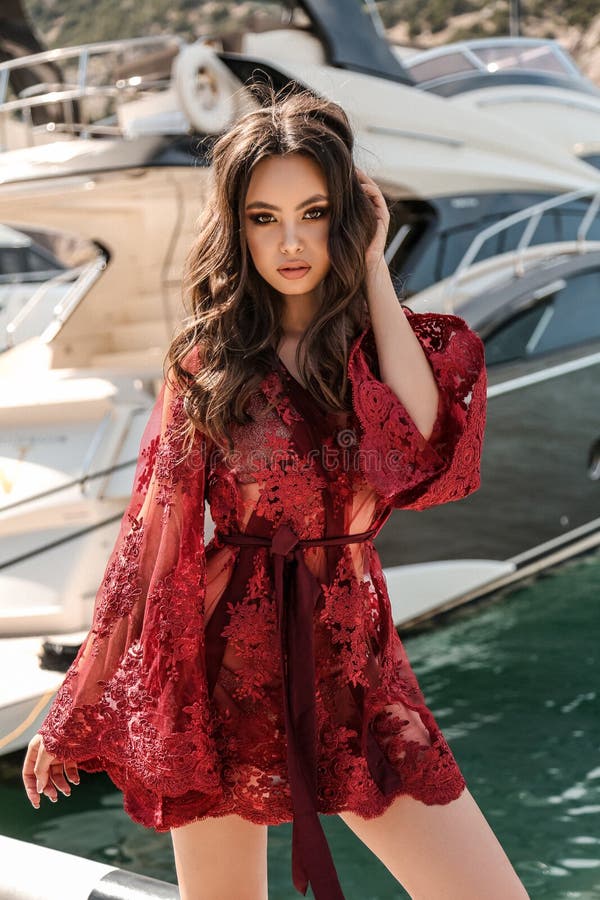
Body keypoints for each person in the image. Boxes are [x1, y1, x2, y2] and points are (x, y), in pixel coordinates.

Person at [22, 84, 529, 900]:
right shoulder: (206, 359)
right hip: (220, 669)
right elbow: (152, 545)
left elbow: (426, 452)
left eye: (315, 212)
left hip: (356, 668)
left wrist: (370, 264)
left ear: (347, 217)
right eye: (264, 217)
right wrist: (75, 704)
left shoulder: (374, 346)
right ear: (238, 225)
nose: (291, 240)